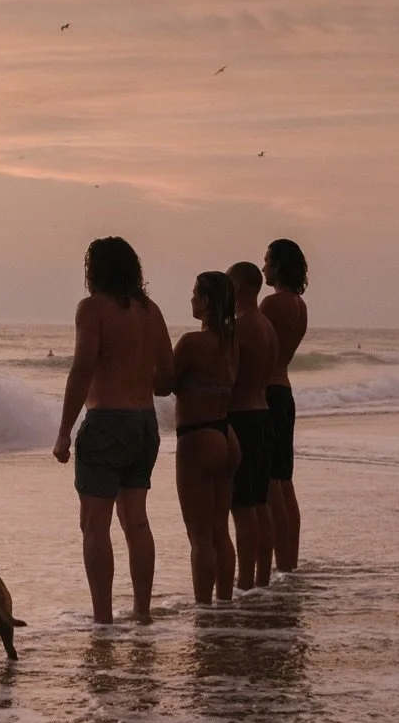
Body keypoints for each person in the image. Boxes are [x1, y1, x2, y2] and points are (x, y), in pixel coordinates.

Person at [53, 237, 174, 625]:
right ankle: (142, 612)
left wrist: (64, 431)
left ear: (95, 270)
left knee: (94, 524)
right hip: (145, 423)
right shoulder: (150, 311)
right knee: (136, 521)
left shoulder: (92, 309)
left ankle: (102, 619)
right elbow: (167, 377)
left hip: (106, 422)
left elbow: (82, 369)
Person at [173, 271, 240, 605]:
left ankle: (204, 609)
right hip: (226, 434)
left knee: (199, 537)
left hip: (197, 436)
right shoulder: (232, 342)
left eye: (196, 294)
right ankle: (225, 603)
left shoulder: (191, 343)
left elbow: (162, 384)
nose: (192, 299)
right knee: (219, 531)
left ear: (208, 302)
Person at [226, 262, 279, 589]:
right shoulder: (266, 325)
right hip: (263, 415)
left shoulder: (242, 325)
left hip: (243, 418)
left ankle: (245, 582)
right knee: (259, 503)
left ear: (238, 288)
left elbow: (228, 374)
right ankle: (260, 579)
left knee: (242, 506)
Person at [261, 238, 308, 571]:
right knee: (285, 480)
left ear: (278, 265)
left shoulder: (272, 303)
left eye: (266, 261)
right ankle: (289, 561)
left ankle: (281, 563)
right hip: (284, 390)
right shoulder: (299, 305)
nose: (263, 267)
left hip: (267, 393)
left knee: (272, 482)